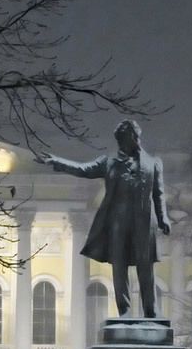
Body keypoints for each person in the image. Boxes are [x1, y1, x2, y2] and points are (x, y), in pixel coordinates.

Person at [35, 119, 171, 318]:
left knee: (146, 265)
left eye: (133, 136)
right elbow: (83, 169)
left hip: (144, 222)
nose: (133, 140)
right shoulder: (108, 162)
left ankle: (151, 311)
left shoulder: (153, 163)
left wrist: (163, 217)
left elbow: (158, 193)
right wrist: (57, 162)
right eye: (128, 137)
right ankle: (124, 311)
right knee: (119, 265)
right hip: (118, 221)